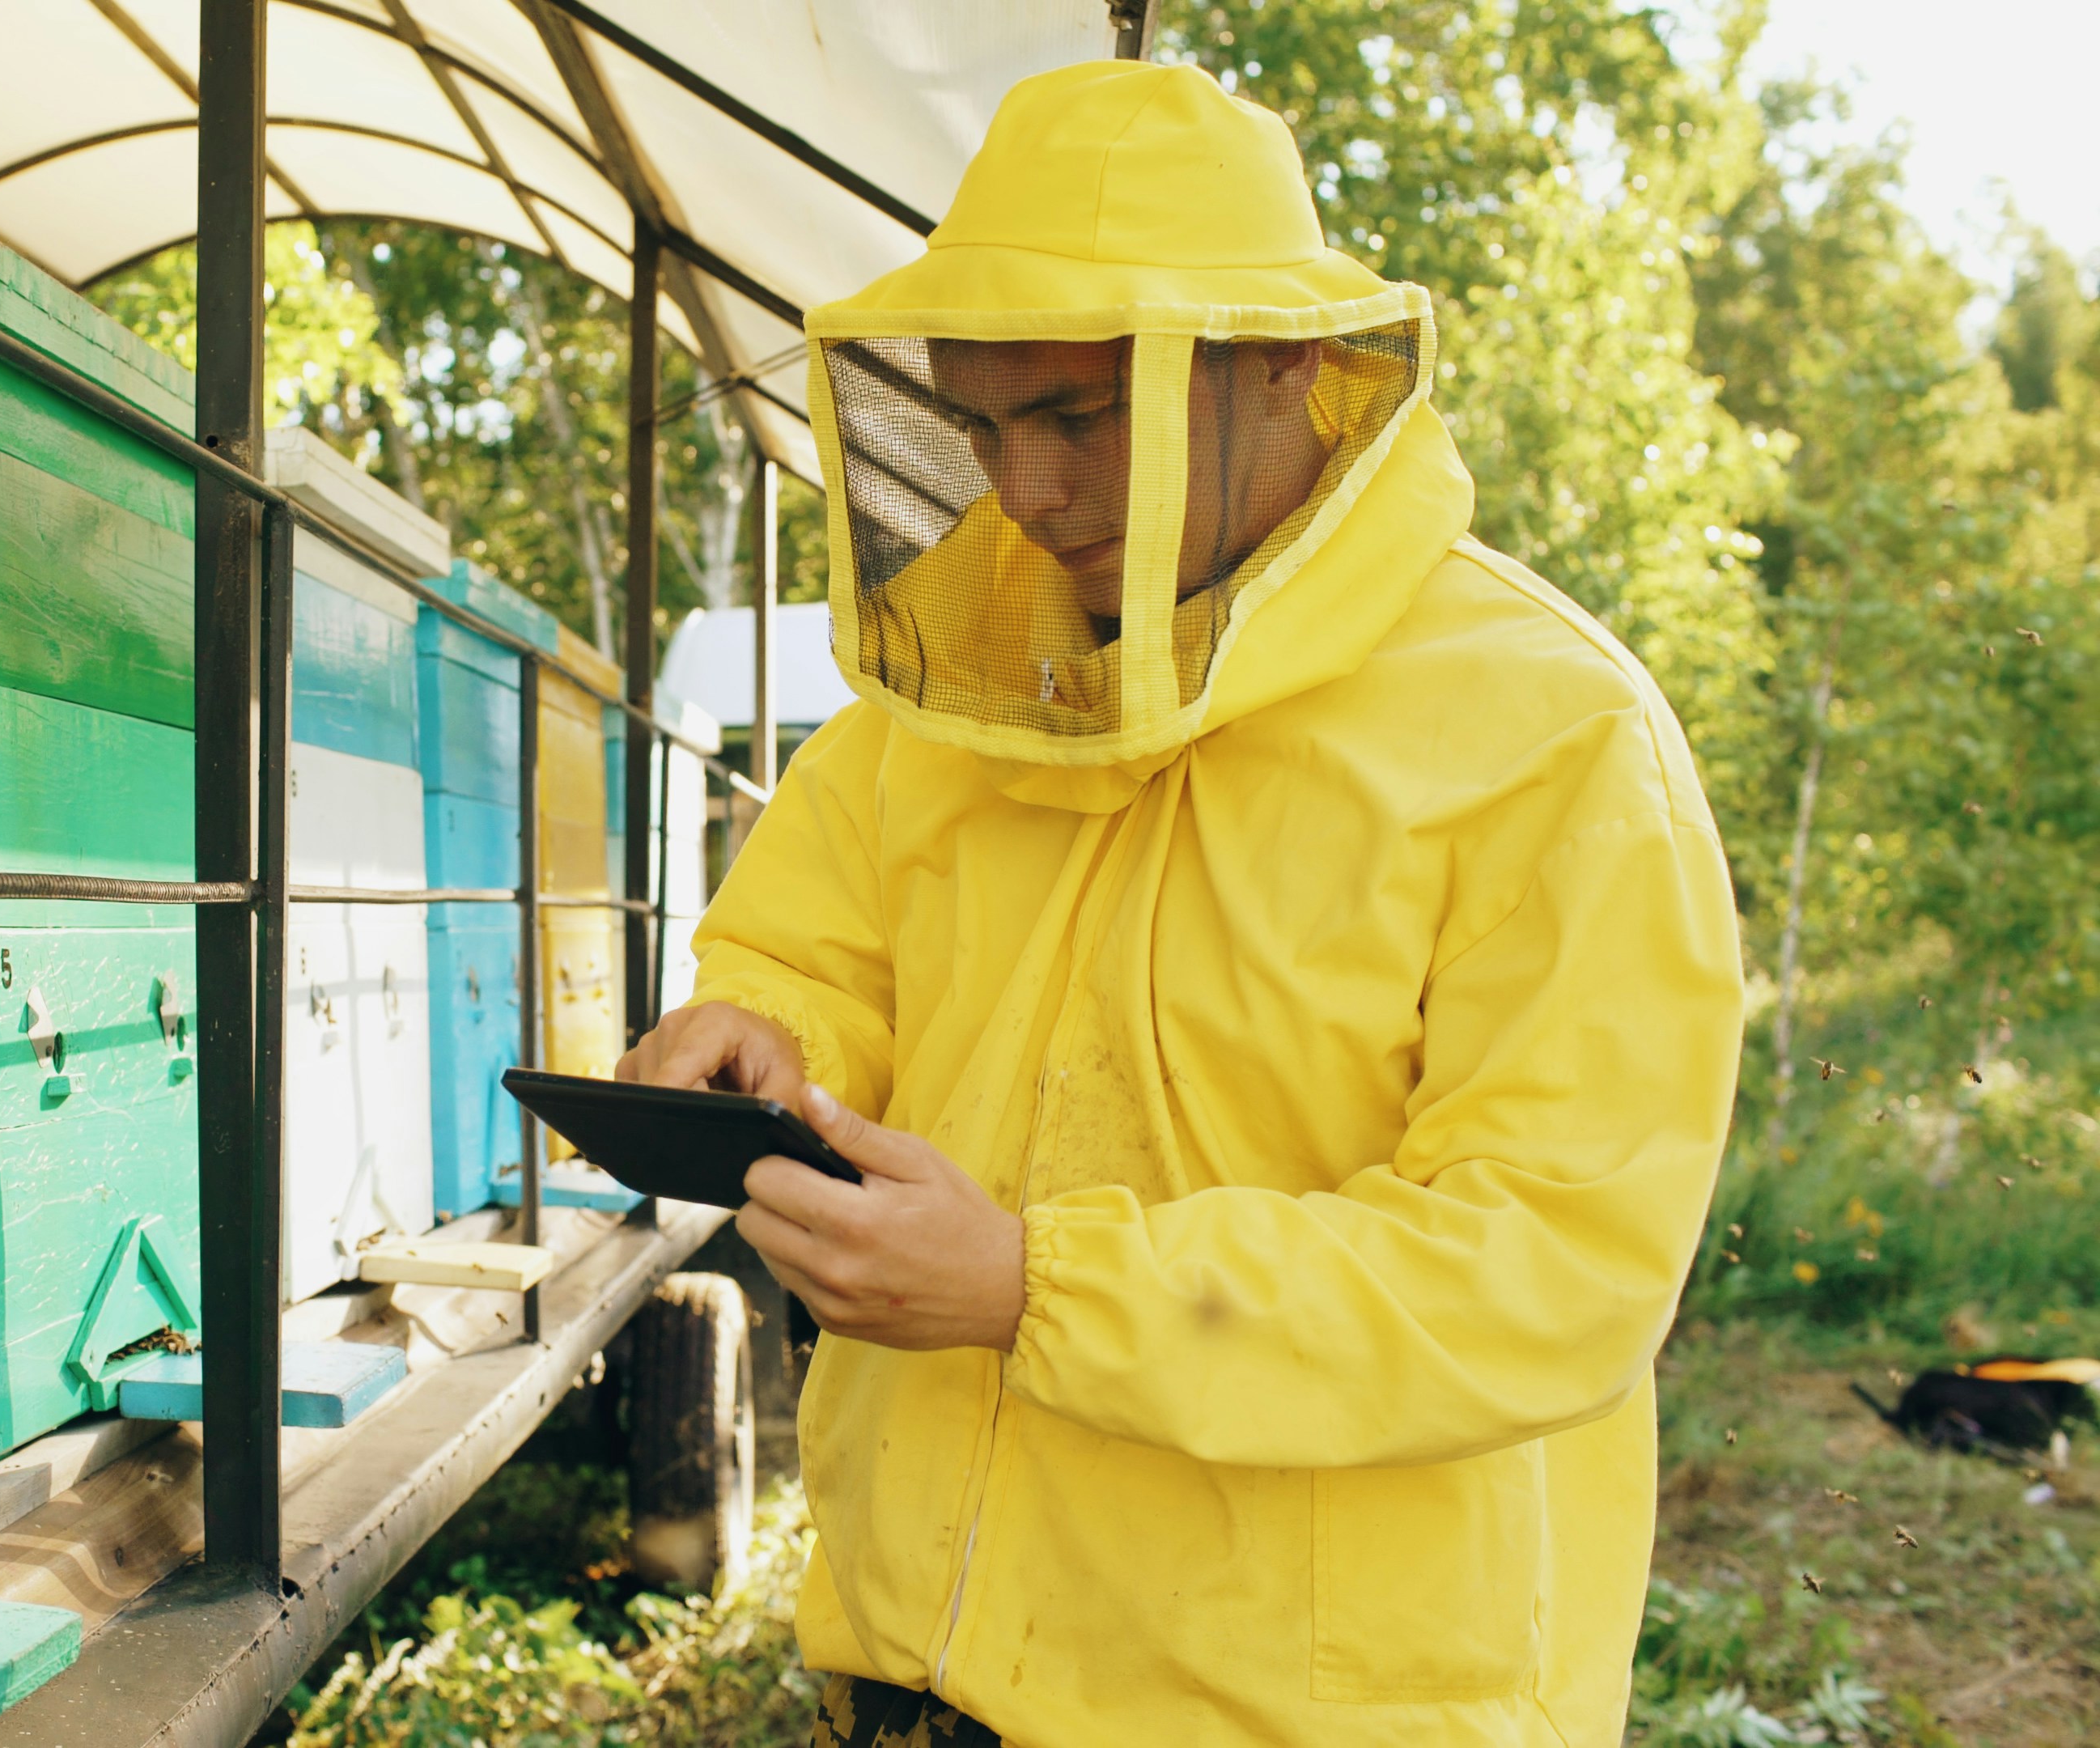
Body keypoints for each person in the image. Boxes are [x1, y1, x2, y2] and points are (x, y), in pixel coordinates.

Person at [617, 60, 1741, 1746]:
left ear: (1285, 364)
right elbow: (809, 956)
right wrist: (758, 1036)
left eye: (1081, 416)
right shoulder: (938, 707)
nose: (1027, 492)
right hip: (914, 1664)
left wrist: (1034, 1289)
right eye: (989, 426)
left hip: (1303, 1712)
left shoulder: (1553, 737)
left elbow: (1551, 1263)